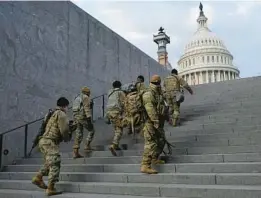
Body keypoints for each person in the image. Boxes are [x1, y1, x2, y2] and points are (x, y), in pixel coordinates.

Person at [31, 97, 71, 196]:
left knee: (50, 162)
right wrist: (67, 138)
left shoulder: (51, 113)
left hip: (43, 141)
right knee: (55, 162)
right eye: (67, 107)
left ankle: (38, 178)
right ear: (65, 106)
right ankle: (50, 188)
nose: (67, 109)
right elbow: (64, 130)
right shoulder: (61, 114)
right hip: (50, 142)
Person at [140, 75, 167, 174]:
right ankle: (145, 165)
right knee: (150, 143)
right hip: (150, 123)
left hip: (158, 122)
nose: (159, 85)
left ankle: (154, 158)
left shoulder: (158, 93)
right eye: (158, 83)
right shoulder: (148, 94)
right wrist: (155, 121)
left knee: (161, 140)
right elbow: (150, 109)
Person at [72, 87, 95, 158]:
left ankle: (76, 151)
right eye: (89, 92)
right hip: (83, 117)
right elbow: (86, 107)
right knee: (92, 130)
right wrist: (89, 116)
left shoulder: (77, 98)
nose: (89, 94)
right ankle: (87, 145)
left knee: (79, 133)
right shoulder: (85, 97)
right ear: (87, 92)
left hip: (76, 117)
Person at [106, 80, 126, 156]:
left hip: (109, 113)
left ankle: (116, 145)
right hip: (116, 113)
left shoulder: (110, 92)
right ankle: (113, 145)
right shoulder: (120, 92)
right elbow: (124, 103)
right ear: (120, 86)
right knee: (119, 129)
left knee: (116, 128)